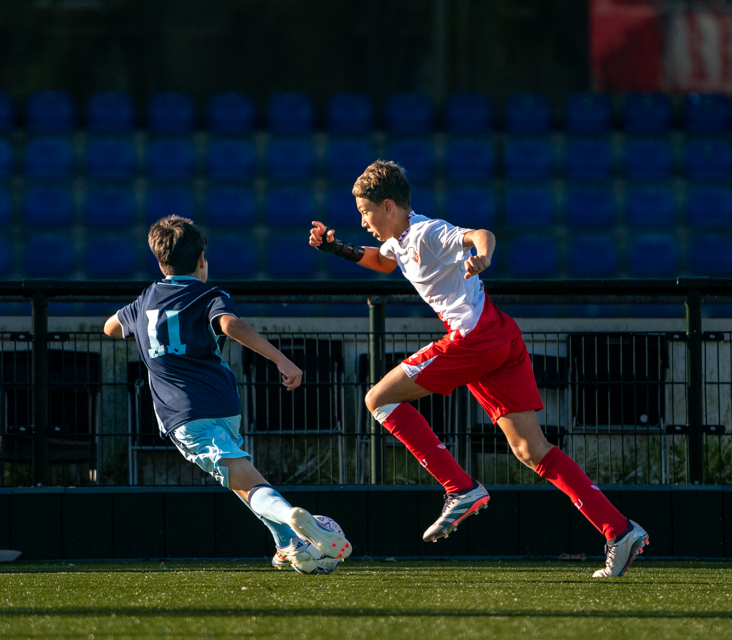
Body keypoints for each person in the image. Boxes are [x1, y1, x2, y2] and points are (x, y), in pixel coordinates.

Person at [309, 161, 648, 577]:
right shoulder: (400, 240)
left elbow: (479, 235)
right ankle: (619, 529)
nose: (362, 221)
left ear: (390, 205)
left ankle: (460, 488)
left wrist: (482, 255)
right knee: (531, 450)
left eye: (365, 211)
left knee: (377, 398)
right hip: (498, 335)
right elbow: (382, 261)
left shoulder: (426, 231)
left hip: (473, 339)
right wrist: (335, 248)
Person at [105, 215, 351, 574]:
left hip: (185, 417)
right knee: (241, 481)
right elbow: (229, 323)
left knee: (250, 484)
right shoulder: (211, 294)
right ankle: (286, 544)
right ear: (202, 259)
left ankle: (293, 518)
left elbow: (111, 326)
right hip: (223, 406)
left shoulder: (145, 301)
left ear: (160, 263)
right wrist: (282, 360)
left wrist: (134, 326)